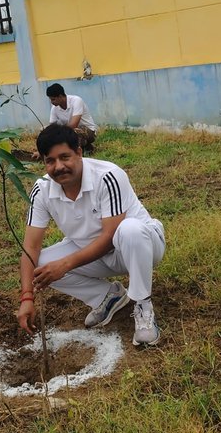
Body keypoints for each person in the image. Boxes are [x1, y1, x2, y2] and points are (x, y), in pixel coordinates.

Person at [18, 123, 166, 347]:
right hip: (94, 254)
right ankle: (108, 296)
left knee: (129, 229)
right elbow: (30, 248)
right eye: (50, 161)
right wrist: (27, 297)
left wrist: (65, 264)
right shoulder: (42, 190)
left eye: (65, 157)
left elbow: (110, 236)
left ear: (79, 152)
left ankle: (143, 305)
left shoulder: (107, 176)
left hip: (141, 246)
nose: (59, 167)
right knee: (38, 264)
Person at [46, 83, 97, 152]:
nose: (51, 102)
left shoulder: (76, 101)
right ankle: (87, 147)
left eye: (53, 99)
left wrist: (58, 133)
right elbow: (51, 127)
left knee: (73, 133)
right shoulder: (54, 109)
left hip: (88, 131)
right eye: (51, 99)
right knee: (47, 132)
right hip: (69, 131)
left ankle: (76, 151)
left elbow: (74, 124)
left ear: (60, 96)